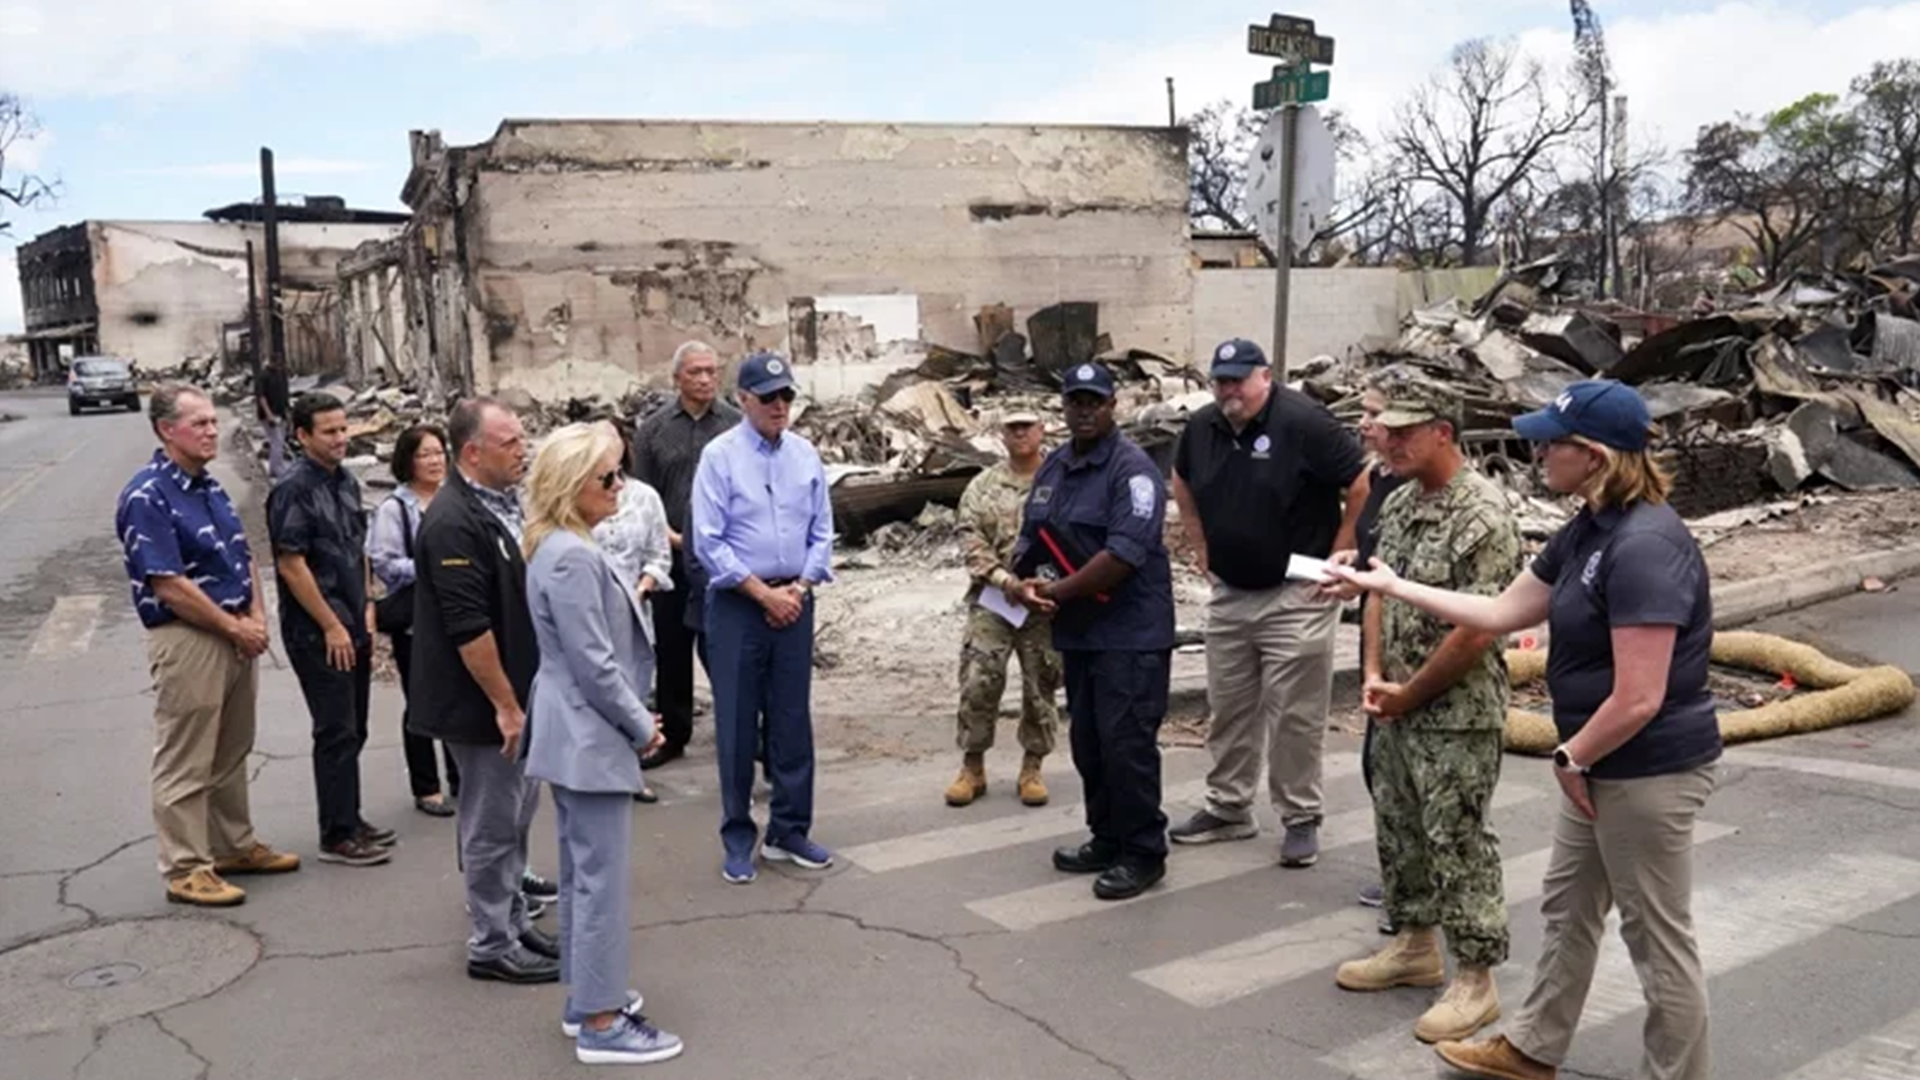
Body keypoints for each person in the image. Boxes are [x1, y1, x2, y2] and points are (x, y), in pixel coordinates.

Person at [1329, 380, 1723, 1080]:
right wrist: (1390, 586)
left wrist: (1573, 756)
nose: (1538, 452)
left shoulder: (1644, 546)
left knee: (1657, 940)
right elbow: (1499, 611)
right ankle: (1533, 1048)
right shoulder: (1590, 529)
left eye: (1551, 442)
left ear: (1594, 455)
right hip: (1597, 764)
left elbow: (1639, 696)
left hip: (1645, 770)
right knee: (1570, 911)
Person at [1329, 377, 1521, 1045]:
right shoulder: (1405, 499)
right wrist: (1376, 675)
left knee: (1458, 837)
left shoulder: (1482, 514)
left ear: (1444, 431)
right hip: (1399, 703)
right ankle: (1414, 944)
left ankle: (1476, 976)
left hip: (1456, 712)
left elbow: (1477, 630)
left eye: (1405, 431)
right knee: (1399, 825)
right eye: (1388, 429)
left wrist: (1412, 693)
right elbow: (1381, 585)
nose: (1388, 440)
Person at [1167, 338, 1370, 868]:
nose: (1229, 389)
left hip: (1297, 593)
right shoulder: (1203, 426)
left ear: (1265, 376)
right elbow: (1181, 479)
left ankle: (1300, 816)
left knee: (1295, 715)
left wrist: (1342, 548)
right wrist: (1198, 542)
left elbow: (1362, 479)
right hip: (1231, 591)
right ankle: (1230, 807)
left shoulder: (1304, 422)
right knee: (1229, 707)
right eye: (1220, 379)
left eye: (1238, 378)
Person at [523, 423, 685, 1067]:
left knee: (585, 875)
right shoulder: (569, 554)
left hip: (578, 730)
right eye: (607, 478)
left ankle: (588, 1000)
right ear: (571, 488)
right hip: (587, 733)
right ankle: (601, 1019)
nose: (620, 485)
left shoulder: (563, 545)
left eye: (619, 473)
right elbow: (593, 662)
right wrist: (642, 725)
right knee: (600, 882)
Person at [116, 383, 299, 907]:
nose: (212, 431)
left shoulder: (210, 487)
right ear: (165, 430)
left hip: (237, 628)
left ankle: (233, 845)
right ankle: (186, 867)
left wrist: (259, 617)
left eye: (213, 422)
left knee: (232, 747)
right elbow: (168, 583)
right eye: (199, 423)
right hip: (192, 635)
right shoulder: (147, 494)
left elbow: (243, 556)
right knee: (186, 756)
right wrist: (232, 626)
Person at [1010, 361, 1176, 902]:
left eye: (1094, 401)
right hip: (1080, 633)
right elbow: (1033, 534)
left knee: (1126, 744)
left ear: (1112, 406)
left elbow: (1123, 556)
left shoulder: (1133, 472)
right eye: (1075, 401)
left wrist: (1055, 593)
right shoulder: (1055, 466)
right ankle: (1106, 837)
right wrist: (1023, 582)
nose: (1084, 410)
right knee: (1090, 743)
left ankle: (1143, 851)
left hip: (1130, 633)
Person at [411, 397, 561, 984]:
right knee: (490, 825)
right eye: (511, 443)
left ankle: (513, 918)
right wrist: (505, 704)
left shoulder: (497, 505)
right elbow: (468, 627)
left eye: (524, 439)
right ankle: (491, 943)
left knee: (516, 819)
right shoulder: (452, 520)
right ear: (472, 452)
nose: (523, 450)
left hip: (515, 699)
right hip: (482, 707)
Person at [691, 351, 835, 885]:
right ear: (743, 400)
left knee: (792, 718)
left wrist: (798, 587)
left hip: (794, 600)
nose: (780, 406)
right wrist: (760, 594)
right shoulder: (720, 457)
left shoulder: (805, 455)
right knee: (736, 722)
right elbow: (708, 541)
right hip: (738, 605)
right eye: (768, 397)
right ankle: (737, 835)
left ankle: (789, 829)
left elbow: (823, 529)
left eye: (787, 396)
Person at [268, 391, 391, 867]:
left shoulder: (344, 481)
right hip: (318, 632)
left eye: (344, 429)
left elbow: (356, 547)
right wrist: (332, 626)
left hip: (351, 620)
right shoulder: (293, 488)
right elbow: (292, 564)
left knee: (355, 725)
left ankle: (351, 816)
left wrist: (366, 605)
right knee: (335, 729)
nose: (341, 439)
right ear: (302, 436)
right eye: (330, 431)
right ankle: (336, 835)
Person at [630, 341, 742, 769]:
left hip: (724, 561)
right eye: (695, 372)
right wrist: (676, 539)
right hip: (672, 559)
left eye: (712, 371)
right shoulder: (654, 430)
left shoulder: (734, 425)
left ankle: (742, 733)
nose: (705, 379)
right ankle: (674, 734)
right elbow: (641, 496)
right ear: (677, 378)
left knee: (724, 650)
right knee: (672, 652)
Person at [946, 410, 1062, 808]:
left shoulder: (1062, 481)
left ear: (1042, 428)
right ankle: (972, 766)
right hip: (994, 601)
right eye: (1012, 426)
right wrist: (1007, 582)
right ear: (1001, 433)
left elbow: (1079, 536)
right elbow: (970, 540)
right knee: (979, 679)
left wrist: (1053, 586)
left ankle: (1032, 767)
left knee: (1040, 684)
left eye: (1028, 425)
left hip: (1045, 602)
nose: (1020, 433)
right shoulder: (982, 486)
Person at [367, 424, 460, 817]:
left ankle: (461, 775)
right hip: (416, 619)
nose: (434, 460)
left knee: (460, 697)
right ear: (407, 460)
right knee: (422, 699)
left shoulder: (457, 499)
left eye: (439, 452)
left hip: (457, 613)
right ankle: (426, 786)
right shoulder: (396, 509)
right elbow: (385, 564)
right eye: (424, 454)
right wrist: (432, 568)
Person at [1348, 370, 1413, 923]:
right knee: (1380, 770)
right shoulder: (1377, 478)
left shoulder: (1431, 493)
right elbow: (1376, 574)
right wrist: (1371, 668)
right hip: (1383, 654)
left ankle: (1421, 895)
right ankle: (1403, 881)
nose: (1364, 422)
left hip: (1425, 663)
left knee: (1423, 785)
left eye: (1375, 413)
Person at [592, 419, 675, 804]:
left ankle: (630, 770)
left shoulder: (644, 497)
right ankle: (595, 770)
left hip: (634, 609)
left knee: (635, 690)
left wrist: (642, 588)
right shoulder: (575, 496)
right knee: (595, 688)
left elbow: (659, 552)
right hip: (589, 609)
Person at [255, 357, 291, 482]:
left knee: (280, 442)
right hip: (268, 415)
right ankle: (276, 469)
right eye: (277, 364)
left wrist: (287, 412)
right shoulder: (264, 376)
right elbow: (261, 397)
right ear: (271, 362)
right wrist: (269, 414)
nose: (279, 366)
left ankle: (275, 467)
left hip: (281, 413)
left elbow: (284, 395)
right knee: (277, 440)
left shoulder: (281, 375)